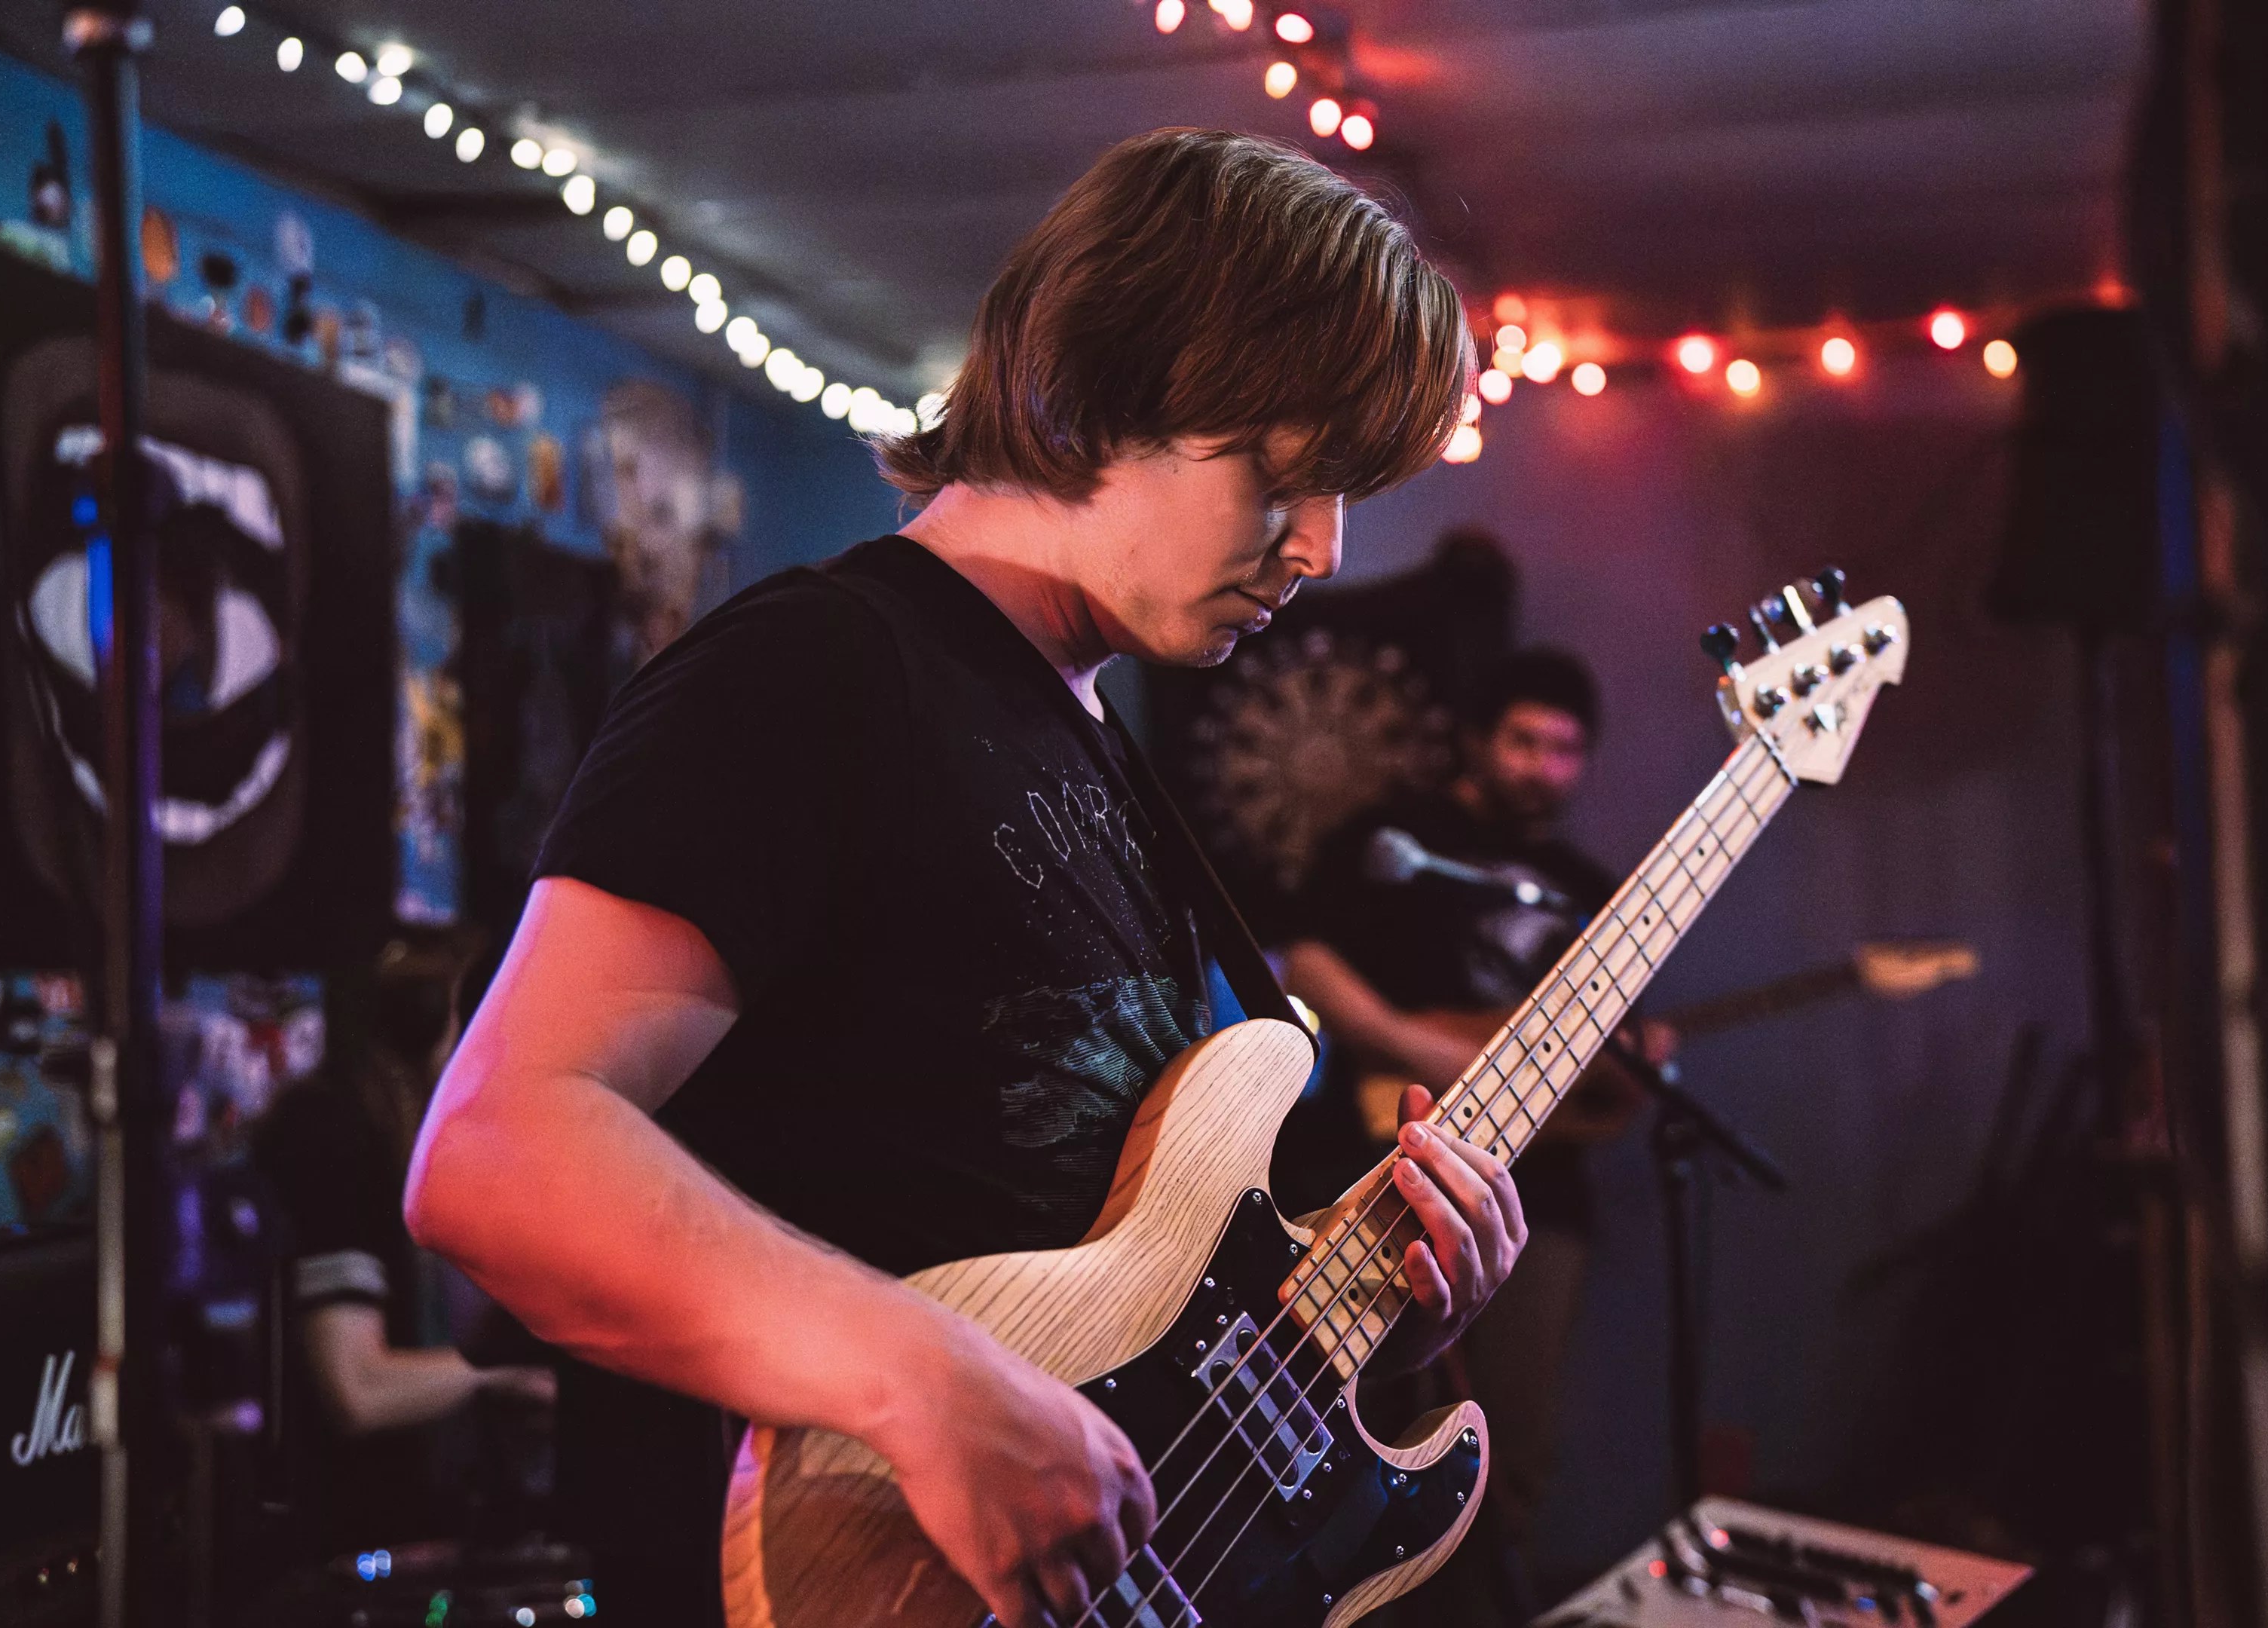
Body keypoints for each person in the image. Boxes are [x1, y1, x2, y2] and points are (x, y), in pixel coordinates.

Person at [405, 128, 1527, 1628]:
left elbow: (1096, 1278)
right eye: (1289, 475)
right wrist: (920, 1376)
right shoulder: (818, 669)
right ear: (1120, 384)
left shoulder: (1097, 740)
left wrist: (1370, 1315)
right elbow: (494, 1155)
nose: (1322, 548)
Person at [1283, 647, 1674, 1624]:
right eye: (1523, 742)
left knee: (1513, 1447)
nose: (1542, 767)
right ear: (1476, 741)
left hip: (1539, 1199)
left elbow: (1606, 1088)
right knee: (1345, 1429)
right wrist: (1430, 1048)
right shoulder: (1394, 841)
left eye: (1565, 750)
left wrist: (1638, 1067)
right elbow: (1308, 963)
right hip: (1380, 1166)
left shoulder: (1586, 892)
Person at [251, 935, 556, 1562]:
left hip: (415, 1527)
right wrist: (505, 1371)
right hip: (340, 1545)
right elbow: (356, 1387)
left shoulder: (395, 1136)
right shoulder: (333, 1140)